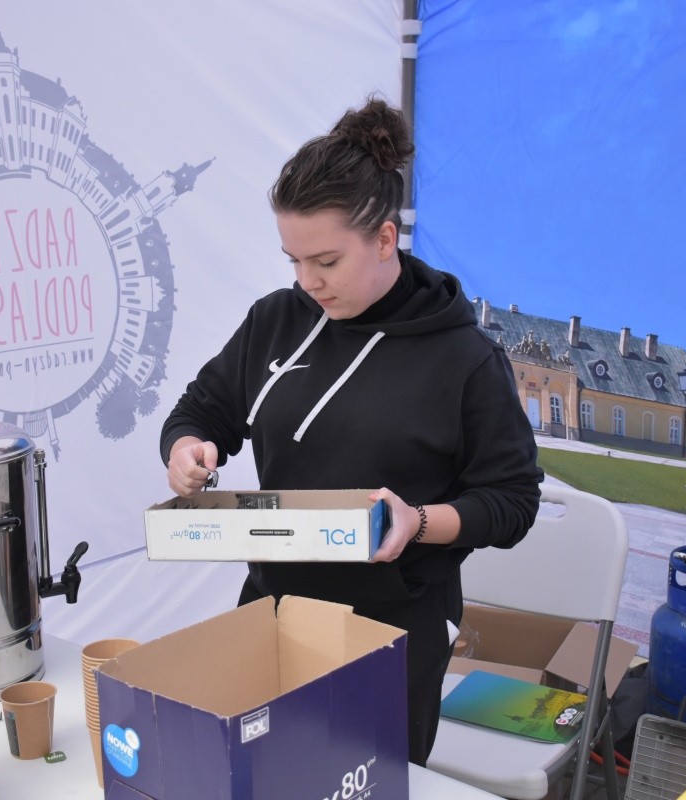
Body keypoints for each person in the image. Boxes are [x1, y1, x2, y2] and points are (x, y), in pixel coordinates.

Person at [159, 98, 544, 764]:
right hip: (271, 610)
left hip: (392, 630)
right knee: (259, 776)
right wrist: (186, 449)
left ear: (385, 239)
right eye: (293, 261)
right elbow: (203, 410)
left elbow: (512, 502)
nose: (308, 282)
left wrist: (417, 523)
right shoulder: (275, 320)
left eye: (327, 261)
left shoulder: (465, 359)